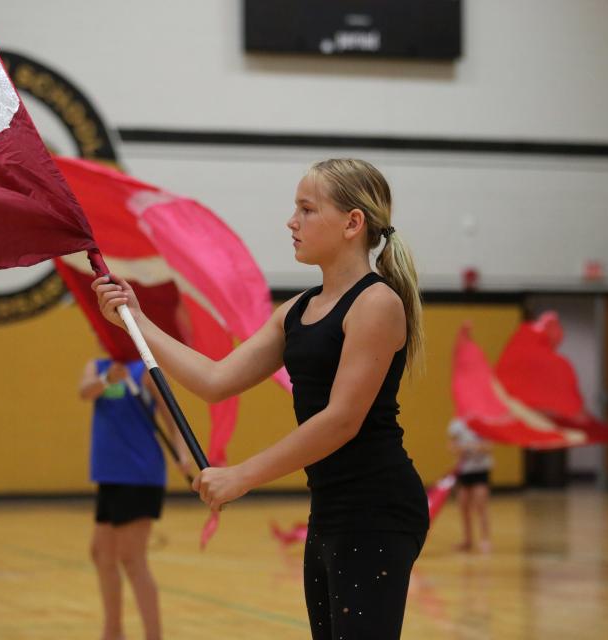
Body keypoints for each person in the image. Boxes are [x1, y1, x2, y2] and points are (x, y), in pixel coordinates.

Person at [93, 158, 429, 639]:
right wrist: (137, 321)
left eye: (307, 209)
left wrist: (241, 475)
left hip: (378, 506)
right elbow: (214, 380)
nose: (292, 222)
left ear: (353, 223)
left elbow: (341, 420)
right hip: (330, 507)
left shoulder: (376, 303)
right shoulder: (296, 310)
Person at [79, 358, 191, 640]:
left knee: (132, 559)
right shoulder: (98, 367)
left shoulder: (146, 370)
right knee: (101, 553)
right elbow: (84, 392)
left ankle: (153, 636)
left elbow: (172, 416)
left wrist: (182, 453)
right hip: (108, 474)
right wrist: (107, 379)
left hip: (139, 474)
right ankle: (113, 631)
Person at [447, 417, 493, 553]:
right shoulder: (456, 424)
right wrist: (460, 449)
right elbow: (452, 446)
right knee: (463, 505)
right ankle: (467, 540)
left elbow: (489, 447)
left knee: (481, 505)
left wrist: (470, 447)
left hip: (480, 470)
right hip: (464, 471)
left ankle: (485, 539)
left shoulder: (482, 422)